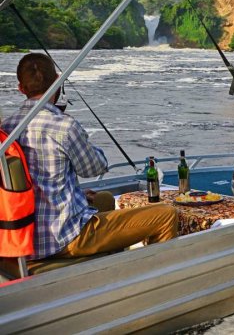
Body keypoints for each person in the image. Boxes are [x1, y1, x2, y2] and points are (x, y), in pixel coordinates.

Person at [2, 53, 178, 261]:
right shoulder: (64, 126)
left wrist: (76, 192)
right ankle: (154, 281)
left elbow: (32, 182)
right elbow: (93, 168)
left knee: (103, 198)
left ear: (21, 88)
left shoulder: (7, 128)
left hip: (26, 236)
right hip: (64, 238)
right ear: (58, 81)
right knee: (166, 214)